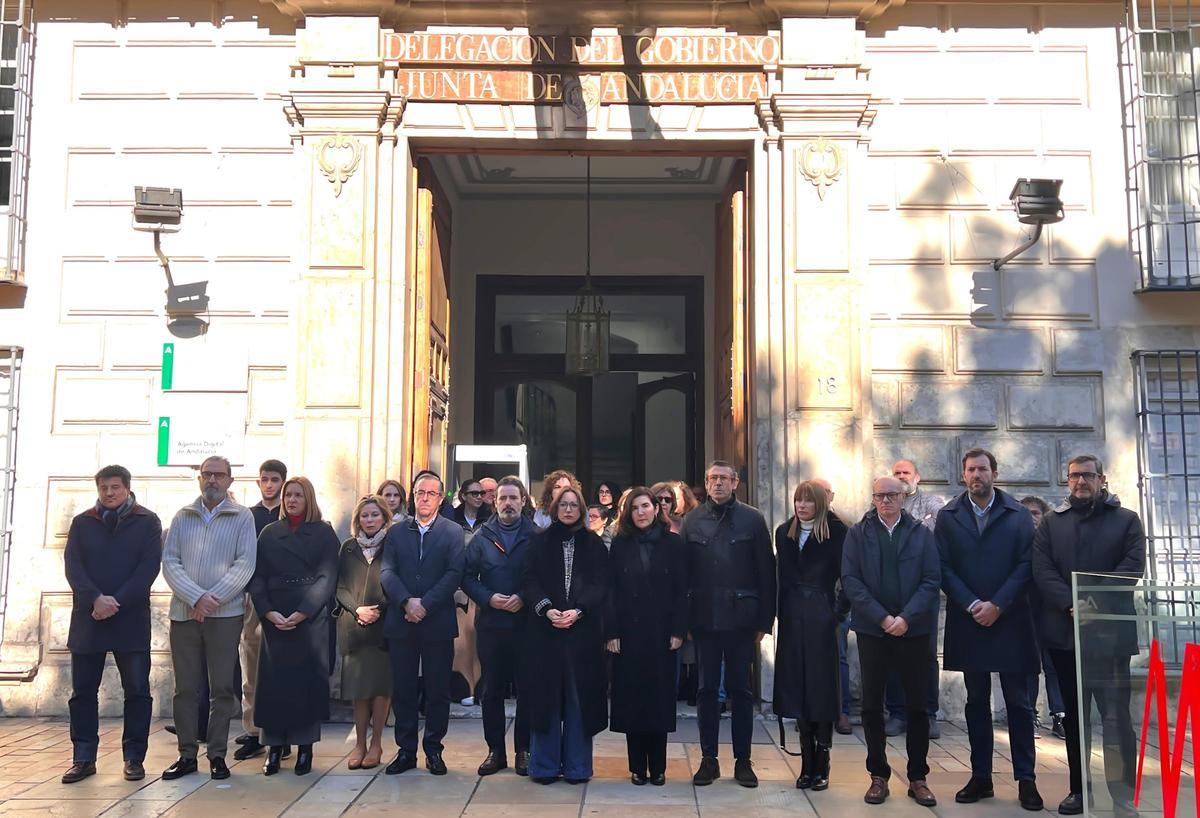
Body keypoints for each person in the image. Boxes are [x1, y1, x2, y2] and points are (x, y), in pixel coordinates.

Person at [1032, 455, 1145, 817]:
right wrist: (1071, 603)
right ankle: (1078, 791)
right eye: (1074, 476)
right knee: (1075, 720)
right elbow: (1042, 569)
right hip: (1067, 636)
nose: (1081, 481)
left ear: (1102, 478)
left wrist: (1093, 600)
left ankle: (1122, 797)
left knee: (1116, 720)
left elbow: (1131, 566)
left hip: (1111, 638)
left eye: (1088, 475)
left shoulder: (1127, 520)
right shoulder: (1051, 523)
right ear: (1067, 481)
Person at [936, 449, 1043, 811]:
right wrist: (972, 604)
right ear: (963, 475)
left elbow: (1028, 564)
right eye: (970, 470)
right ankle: (981, 776)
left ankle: (1026, 779)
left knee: (1019, 703)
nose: (976, 475)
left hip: (1010, 619)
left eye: (983, 469)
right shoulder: (949, 516)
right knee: (976, 702)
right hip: (969, 621)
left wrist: (998, 604)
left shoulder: (1017, 515)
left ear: (995, 473)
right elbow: (943, 567)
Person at [842, 476, 940, 807]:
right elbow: (851, 580)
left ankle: (918, 777)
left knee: (917, 706)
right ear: (873, 499)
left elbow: (931, 580)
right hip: (873, 630)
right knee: (871, 705)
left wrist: (905, 618)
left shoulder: (920, 533)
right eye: (880, 496)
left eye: (892, 495)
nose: (885, 501)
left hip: (913, 631)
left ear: (903, 497)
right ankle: (878, 776)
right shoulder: (858, 533)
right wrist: (883, 618)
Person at [61, 465, 162, 785]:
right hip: (89, 619)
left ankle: (134, 757)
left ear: (127, 488)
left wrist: (115, 602)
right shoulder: (82, 523)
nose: (109, 493)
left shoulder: (147, 522)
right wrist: (96, 600)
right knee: (82, 693)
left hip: (129, 620)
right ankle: (83, 757)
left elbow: (148, 569)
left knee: (137, 691)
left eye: (115, 487)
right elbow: (73, 567)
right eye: (104, 487)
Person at [160, 456, 257, 782]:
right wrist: (196, 598)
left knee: (221, 689)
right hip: (184, 615)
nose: (212, 480)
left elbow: (245, 564)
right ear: (200, 479)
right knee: (185, 688)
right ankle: (187, 754)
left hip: (224, 615)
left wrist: (211, 599)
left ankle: (217, 754)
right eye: (207, 475)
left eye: (219, 475)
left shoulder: (242, 518)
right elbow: (170, 562)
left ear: (230, 480)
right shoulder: (183, 516)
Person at [682, 460, 776, 789]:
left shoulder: (753, 519)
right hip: (704, 619)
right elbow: (684, 576)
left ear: (735, 482)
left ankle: (743, 761)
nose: (718, 484)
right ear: (706, 484)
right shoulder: (691, 521)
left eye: (724, 478)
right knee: (707, 691)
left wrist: (765, 620)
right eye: (712, 479)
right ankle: (709, 760)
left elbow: (767, 573)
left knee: (741, 691)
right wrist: (685, 622)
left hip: (741, 621)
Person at [250, 476, 339, 776]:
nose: (291, 500)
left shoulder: (324, 533)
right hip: (276, 616)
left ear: (309, 499)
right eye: (288, 495)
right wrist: (268, 612)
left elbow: (328, 576)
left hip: (309, 620)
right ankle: (274, 748)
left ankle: (305, 748)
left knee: (307, 687)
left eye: (298, 495)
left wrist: (304, 612)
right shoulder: (269, 533)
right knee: (274, 687)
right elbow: (257, 577)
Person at [381, 472, 465, 776]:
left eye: (431, 493)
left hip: (436, 622)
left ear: (441, 499)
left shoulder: (453, 532)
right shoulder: (396, 532)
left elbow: (454, 573)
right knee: (403, 689)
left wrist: (424, 603)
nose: (425, 498)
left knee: (437, 689)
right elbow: (387, 572)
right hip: (402, 621)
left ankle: (434, 749)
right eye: (420, 492)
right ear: (412, 496)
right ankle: (406, 750)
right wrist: (406, 602)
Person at [522, 486, 609, 784]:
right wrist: (547, 610)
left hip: (581, 634)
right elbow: (529, 579)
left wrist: (579, 610)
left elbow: (600, 584)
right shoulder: (540, 541)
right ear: (556, 509)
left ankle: (577, 767)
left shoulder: (594, 545)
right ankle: (544, 766)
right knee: (546, 699)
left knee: (577, 699)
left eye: (574, 505)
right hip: (545, 632)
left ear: (582, 510)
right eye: (564, 505)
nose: (569, 510)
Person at [606, 487, 687, 786]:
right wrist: (611, 631)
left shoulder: (673, 543)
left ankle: (660, 767)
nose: (640, 512)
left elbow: (682, 590)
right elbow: (610, 591)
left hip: (661, 633)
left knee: (659, 699)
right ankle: (637, 766)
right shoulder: (620, 544)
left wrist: (679, 630)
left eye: (645, 506)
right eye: (634, 508)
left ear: (656, 508)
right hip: (628, 633)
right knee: (632, 699)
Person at [773, 480, 848, 791]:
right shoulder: (784, 532)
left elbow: (849, 576)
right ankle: (805, 762)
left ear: (820, 503)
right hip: (791, 618)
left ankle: (822, 760)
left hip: (820, 617)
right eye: (797, 500)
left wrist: (837, 613)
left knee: (821, 687)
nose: (801, 506)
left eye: (808, 501)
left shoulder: (837, 531)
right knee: (797, 687)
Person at [463, 476, 536, 777]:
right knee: (491, 691)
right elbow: (466, 577)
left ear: (523, 501)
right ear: (495, 501)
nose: (508, 503)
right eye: (503, 498)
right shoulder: (482, 536)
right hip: (492, 625)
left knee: (528, 691)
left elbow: (545, 576)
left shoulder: (537, 535)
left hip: (526, 625)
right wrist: (488, 598)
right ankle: (495, 751)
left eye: (513, 498)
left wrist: (524, 597)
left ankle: (524, 751)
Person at [887, 459, 945, 739]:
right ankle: (897, 713)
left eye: (905, 473)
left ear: (917, 477)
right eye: (896, 473)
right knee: (893, 657)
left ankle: (928, 713)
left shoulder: (932, 503)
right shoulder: (883, 505)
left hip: (923, 594)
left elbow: (942, 525)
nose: (900, 477)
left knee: (926, 657)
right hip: (891, 595)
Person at [235, 458, 287, 761]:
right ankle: (254, 731)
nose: (270, 485)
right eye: (265, 479)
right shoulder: (247, 516)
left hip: (285, 598)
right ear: (259, 482)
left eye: (275, 479)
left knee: (282, 667)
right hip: (254, 597)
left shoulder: (291, 514)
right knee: (251, 664)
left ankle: (283, 731)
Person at [335, 495, 393, 770]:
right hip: (354, 626)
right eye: (364, 516)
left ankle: (377, 743)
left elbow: (396, 581)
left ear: (384, 518)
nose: (369, 520)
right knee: (359, 689)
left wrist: (378, 609)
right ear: (357, 521)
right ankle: (359, 743)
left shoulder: (392, 546)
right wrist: (358, 609)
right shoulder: (348, 548)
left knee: (381, 688)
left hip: (383, 627)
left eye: (374, 515)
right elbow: (340, 586)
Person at [1020, 495, 1067, 741]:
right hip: (1026, 613)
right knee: (1029, 667)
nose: (1030, 517)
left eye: (1035, 513)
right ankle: (1028, 716)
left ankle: (1060, 715)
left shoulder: (1052, 540)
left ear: (1044, 515)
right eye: (1025, 512)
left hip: (1051, 612)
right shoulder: (1015, 542)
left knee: (1054, 667)